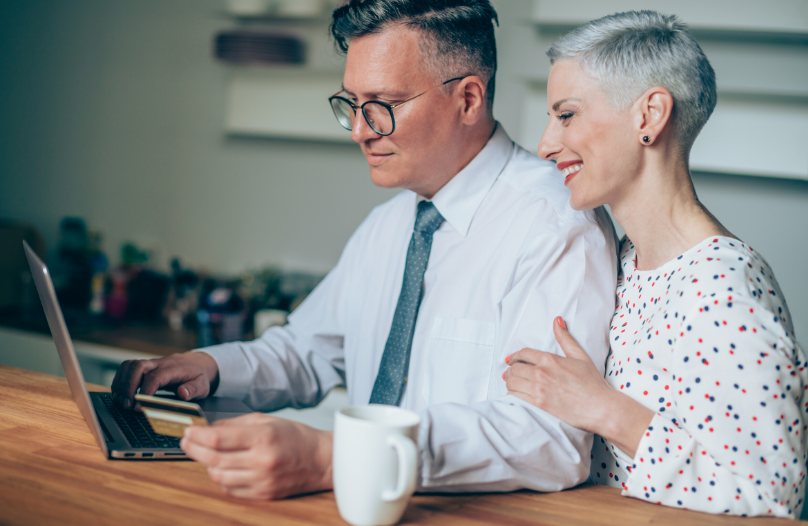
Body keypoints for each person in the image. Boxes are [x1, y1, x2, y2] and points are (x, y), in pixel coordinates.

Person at [111, 0, 618, 500]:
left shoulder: (555, 223)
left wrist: (345, 455)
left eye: (383, 106)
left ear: (468, 98)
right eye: (351, 103)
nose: (359, 130)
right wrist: (209, 368)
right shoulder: (392, 223)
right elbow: (307, 350)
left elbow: (547, 437)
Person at [503, 10, 808, 518]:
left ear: (648, 116)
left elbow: (772, 504)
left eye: (567, 114)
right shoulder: (623, 259)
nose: (545, 144)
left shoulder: (723, 287)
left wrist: (603, 408)